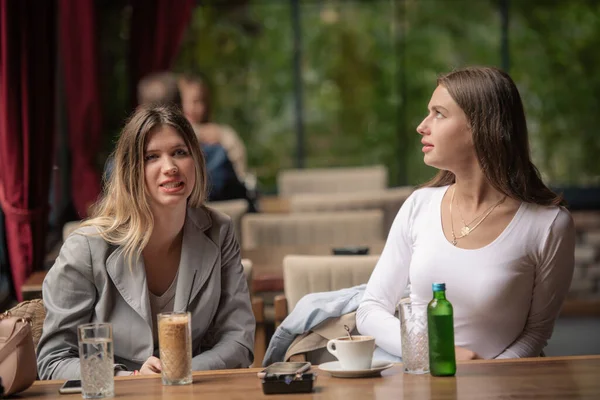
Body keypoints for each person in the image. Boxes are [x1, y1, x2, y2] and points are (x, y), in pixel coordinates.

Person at [356, 66, 575, 360]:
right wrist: (442, 354)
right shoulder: (419, 205)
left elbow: (536, 333)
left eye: (439, 114)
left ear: (480, 126)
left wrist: (486, 378)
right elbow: (371, 309)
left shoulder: (548, 225)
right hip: (417, 379)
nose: (422, 126)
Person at [38, 105, 255, 379]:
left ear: (196, 161)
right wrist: (128, 378)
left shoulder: (220, 231)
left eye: (180, 152)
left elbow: (238, 340)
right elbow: (53, 360)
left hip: (191, 392)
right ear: (131, 170)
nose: (170, 167)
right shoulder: (85, 247)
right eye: (152, 157)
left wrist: (178, 371)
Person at [178, 73, 248, 182]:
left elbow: (241, 170)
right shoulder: (174, 133)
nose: (190, 107)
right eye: (184, 101)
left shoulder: (221, 133)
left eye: (197, 101)